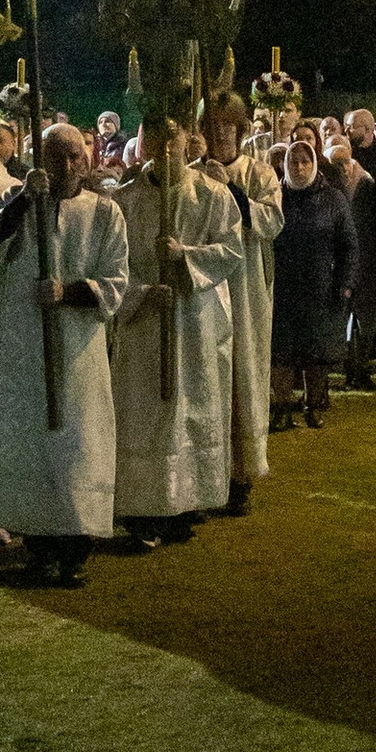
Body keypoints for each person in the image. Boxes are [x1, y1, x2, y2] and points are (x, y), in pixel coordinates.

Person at [0, 122, 130, 585]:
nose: (68, 165)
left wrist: (68, 292)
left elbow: (116, 279)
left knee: (77, 442)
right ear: (41, 159)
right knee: (31, 442)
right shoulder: (18, 199)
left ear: (86, 158)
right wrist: (23, 201)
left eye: (75, 155)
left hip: (77, 349)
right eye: (57, 156)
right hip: (24, 347)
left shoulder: (104, 212)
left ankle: (75, 548)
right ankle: (39, 546)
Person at [110, 114, 238, 537]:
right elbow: (112, 263)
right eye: (156, 139)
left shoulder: (212, 195)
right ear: (144, 143)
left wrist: (185, 255)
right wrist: (142, 292)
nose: (166, 148)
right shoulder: (125, 201)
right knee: (143, 410)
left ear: (187, 139)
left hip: (193, 317)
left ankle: (187, 500)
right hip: (144, 322)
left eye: (173, 138)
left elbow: (231, 250)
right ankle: (142, 507)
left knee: (190, 407)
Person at [207, 92, 285, 514]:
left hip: (246, 285)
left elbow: (270, 221)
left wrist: (232, 190)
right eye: (213, 125)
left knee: (244, 373)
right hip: (206, 286)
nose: (221, 133)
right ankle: (207, 474)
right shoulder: (195, 173)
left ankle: (241, 472)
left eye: (228, 126)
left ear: (239, 129)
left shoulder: (259, 172)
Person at [269, 126, 357, 426]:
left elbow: (348, 245)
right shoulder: (276, 197)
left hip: (320, 285)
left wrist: (345, 283)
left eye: (305, 161)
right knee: (281, 352)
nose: (299, 167)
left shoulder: (332, 199)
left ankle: (313, 404)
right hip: (282, 286)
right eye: (294, 162)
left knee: (315, 351)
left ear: (315, 163)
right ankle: (282, 407)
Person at [339, 105, 376, 388]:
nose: (347, 130)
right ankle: (349, 366)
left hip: (370, 253)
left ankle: (361, 366)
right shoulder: (336, 171)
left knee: (366, 317)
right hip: (344, 255)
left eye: (352, 126)